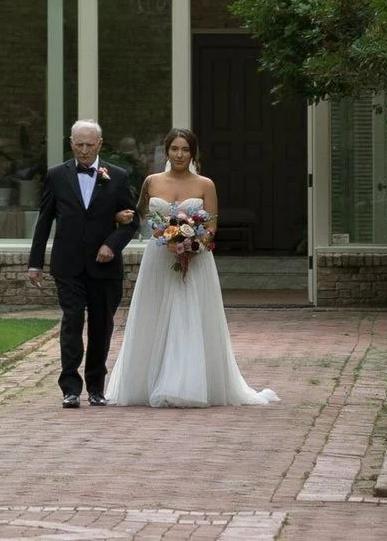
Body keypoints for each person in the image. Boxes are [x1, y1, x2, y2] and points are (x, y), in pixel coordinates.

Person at [102, 127, 279, 407]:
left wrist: (193, 245)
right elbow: (137, 214)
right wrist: (119, 217)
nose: (180, 154)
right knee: (156, 313)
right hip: (159, 259)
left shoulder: (205, 184)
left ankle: (188, 383)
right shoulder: (151, 181)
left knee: (189, 315)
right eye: (175, 149)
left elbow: (211, 224)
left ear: (194, 153)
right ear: (167, 151)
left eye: (186, 149)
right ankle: (146, 380)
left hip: (195, 260)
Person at [26, 119, 139, 407]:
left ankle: (96, 388)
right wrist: (35, 263)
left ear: (100, 144)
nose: (85, 151)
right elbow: (44, 221)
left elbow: (131, 221)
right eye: (79, 145)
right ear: (71, 144)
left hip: (105, 267)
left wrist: (111, 246)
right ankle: (70, 388)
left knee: (101, 326)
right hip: (68, 264)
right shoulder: (56, 176)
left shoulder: (118, 176)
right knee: (72, 321)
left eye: (90, 145)